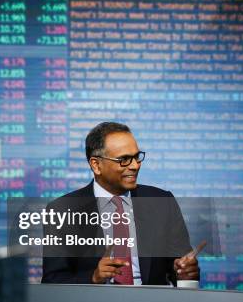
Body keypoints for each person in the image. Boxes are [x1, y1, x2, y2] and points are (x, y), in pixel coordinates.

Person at [41, 122, 200, 285]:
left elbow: (180, 269)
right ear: (96, 165)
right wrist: (93, 278)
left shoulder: (162, 202)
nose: (135, 165)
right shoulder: (62, 210)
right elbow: (52, 280)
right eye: (124, 159)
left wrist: (184, 273)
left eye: (136, 157)